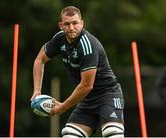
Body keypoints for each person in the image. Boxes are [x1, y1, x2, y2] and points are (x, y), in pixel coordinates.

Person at [31, 6, 124, 137]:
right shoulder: (59, 39)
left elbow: (87, 85)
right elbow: (39, 60)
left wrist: (62, 107)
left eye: (75, 23)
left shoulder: (87, 45)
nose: (71, 27)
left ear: (82, 23)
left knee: (112, 133)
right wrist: (37, 91)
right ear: (60, 25)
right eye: (67, 24)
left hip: (107, 95)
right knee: (70, 135)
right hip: (87, 100)